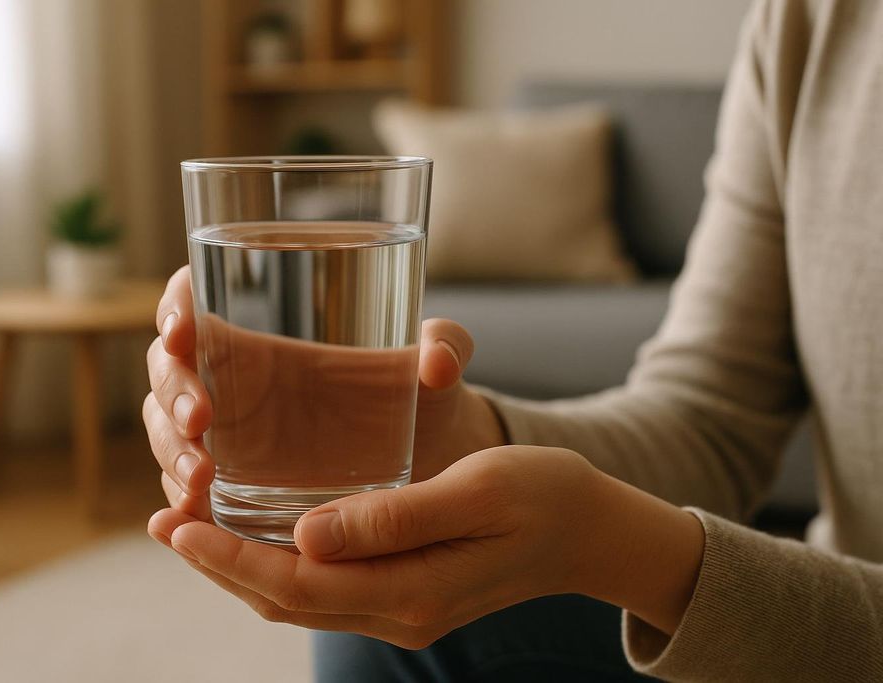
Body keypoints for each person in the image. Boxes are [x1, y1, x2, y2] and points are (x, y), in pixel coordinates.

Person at [142, 1, 883, 679]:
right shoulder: (811, 22)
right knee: (381, 610)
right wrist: (467, 434)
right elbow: (711, 420)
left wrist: (634, 553)